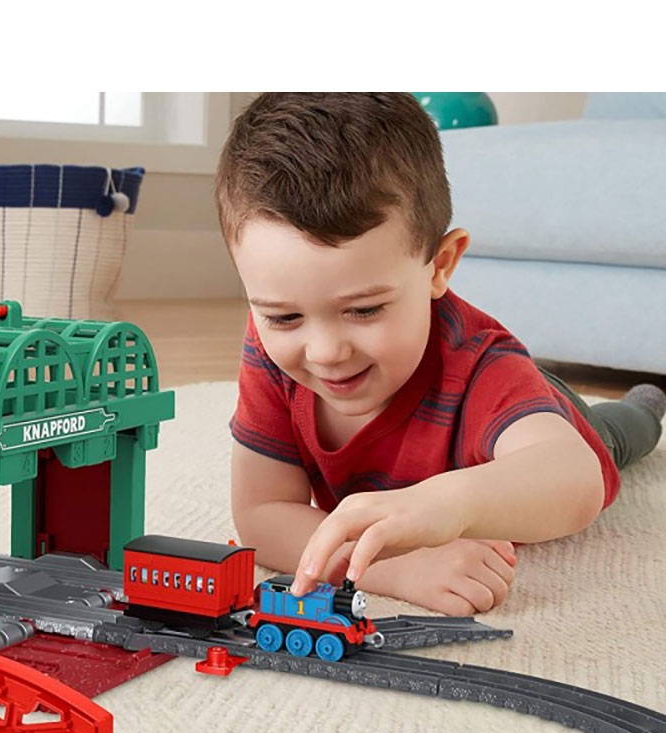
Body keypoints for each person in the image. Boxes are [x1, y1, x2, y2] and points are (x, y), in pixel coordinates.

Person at [218, 92, 665, 615]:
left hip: (553, 417)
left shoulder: (481, 366)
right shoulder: (271, 348)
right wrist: (396, 566)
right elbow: (263, 513)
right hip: (501, 414)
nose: (326, 352)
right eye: (284, 317)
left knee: (618, 433)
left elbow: (575, 477)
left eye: (364, 310)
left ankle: (645, 407)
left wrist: (446, 506)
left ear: (441, 265)